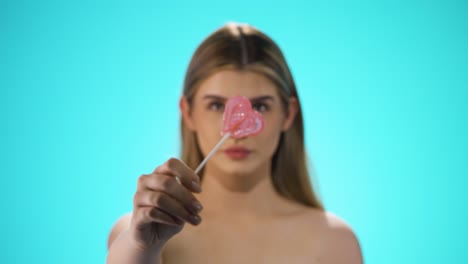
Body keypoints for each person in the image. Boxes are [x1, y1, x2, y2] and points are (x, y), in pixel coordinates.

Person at [106, 22, 363, 264]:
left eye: (260, 106)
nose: (238, 131)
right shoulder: (136, 237)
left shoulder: (335, 242)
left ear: (288, 114)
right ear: (188, 113)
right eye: (216, 105)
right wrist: (142, 247)